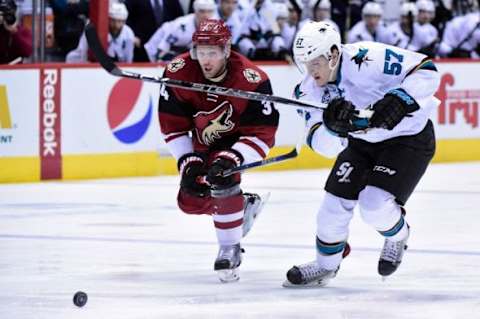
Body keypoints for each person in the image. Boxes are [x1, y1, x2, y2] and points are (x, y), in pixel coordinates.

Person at [283, 21, 439, 287]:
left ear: (333, 54)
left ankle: (398, 236)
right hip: (360, 145)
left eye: (315, 62)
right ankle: (325, 266)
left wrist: (401, 99)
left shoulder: (368, 57)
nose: (310, 71)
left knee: (374, 205)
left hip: (407, 139)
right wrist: (333, 129)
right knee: (331, 209)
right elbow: (320, 143)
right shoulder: (307, 91)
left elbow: (426, 70)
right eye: (304, 63)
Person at [157, 19, 279, 283]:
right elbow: (172, 126)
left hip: (237, 145)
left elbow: (263, 134)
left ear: (226, 50)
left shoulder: (252, 80)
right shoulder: (178, 73)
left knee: (224, 180)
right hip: (202, 144)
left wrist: (232, 158)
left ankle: (229, 247)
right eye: (201, 52)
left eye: (212, 52)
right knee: (188, 199)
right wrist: (188, 161)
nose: (206, 60)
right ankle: (240, 207)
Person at [144, 0, 217, 62]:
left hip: (189, 52)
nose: (206, 15)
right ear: (195, 12)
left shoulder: (217, 26)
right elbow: (161, 52)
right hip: (156, 47)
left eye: (209, 11)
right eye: (202, 11)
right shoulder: (180, 26)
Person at [66, 2, 134, 63]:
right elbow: (83, 51)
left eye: (120, 21)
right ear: (108, 19)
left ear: (124, 21)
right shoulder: (93, 28)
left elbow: (128, 59)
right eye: (113, 21)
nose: (116, 25)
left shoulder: (128, 33)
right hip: (87, 61)